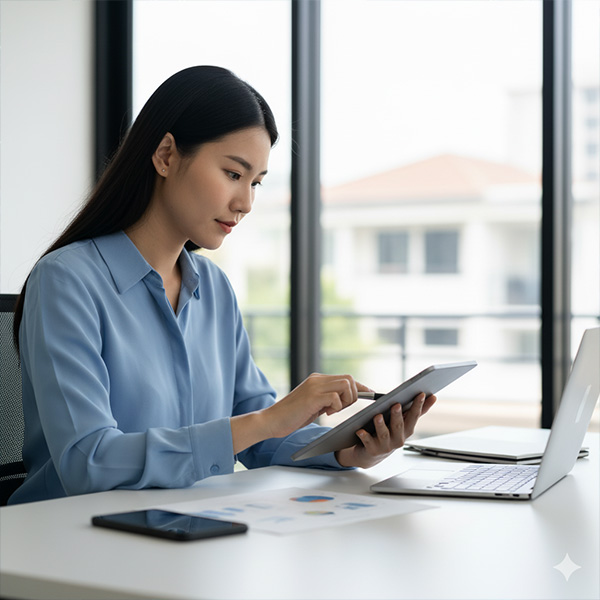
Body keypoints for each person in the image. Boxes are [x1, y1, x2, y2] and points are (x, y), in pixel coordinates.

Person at [9, 66, 436, 505]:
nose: (246, 203)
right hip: (65, 536)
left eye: (256, 184)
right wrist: (270, 419)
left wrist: (347, 450)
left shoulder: (213, 288)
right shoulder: (65, 282)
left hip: (181, 527)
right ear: (167, 155)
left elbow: (257, 437)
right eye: (234, 174)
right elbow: (88, 461)